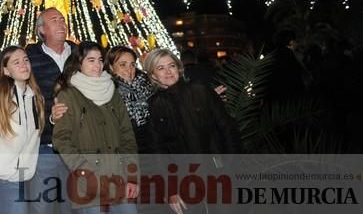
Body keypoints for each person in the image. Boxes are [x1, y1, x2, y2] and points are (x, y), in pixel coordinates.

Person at [144, 49, 241, 214]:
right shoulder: (154, 105)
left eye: (171, 66)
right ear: (153, 75)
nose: (168, 72)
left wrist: (232, 167)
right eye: (161, 68)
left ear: (179, 68)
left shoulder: (200, 90)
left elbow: (227, 128)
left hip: (217, 173)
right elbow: (158, 150)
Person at [52, 41, 139, 214]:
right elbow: (61, 140)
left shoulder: (112, 91)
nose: (97, 65)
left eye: (100, 60)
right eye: (91, 60)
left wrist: (132, 177)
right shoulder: (68, 95)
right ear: (79, 63)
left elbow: (127, 136)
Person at [0, 46, 45, 214]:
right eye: (16, 62)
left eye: (26, 60)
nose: (24, 65)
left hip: (17, 178)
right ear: (6, 70)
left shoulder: (37, 99)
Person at [25, 7, 75, 214]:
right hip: (45, 146)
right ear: (42, 30)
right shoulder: (29, 58)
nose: (61, 23)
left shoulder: (80, 55)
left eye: (63, 19)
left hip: (78, 146)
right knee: (42, 206)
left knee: (72, 206)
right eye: (54, 20)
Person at [105, 45, 155, 153]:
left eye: (132, 65)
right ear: (111, 67)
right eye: (122, 65)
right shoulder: (106, 95)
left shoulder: (147, 87)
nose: (129, 70)